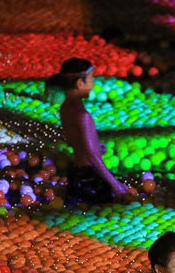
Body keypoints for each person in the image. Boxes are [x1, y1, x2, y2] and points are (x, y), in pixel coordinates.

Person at [45, 58, 131, 203]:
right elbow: (92, 156)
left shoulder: (65, 108)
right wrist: (116, 185)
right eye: (91, 79)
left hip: (75, 174)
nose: (93, 85)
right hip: (90, 177)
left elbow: (73, 141)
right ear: (80, 83)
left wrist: (96, 146)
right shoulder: (83, 116)